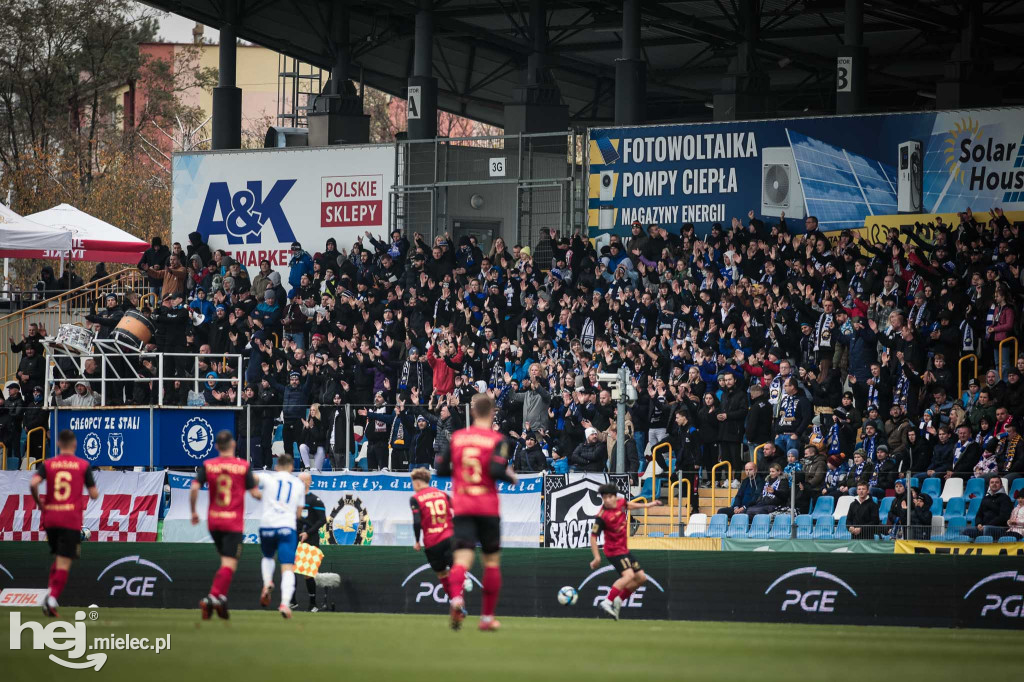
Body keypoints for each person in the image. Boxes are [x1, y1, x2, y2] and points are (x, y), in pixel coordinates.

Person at [434, 393, 515, 632]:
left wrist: (459, 474)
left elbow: (439, 469)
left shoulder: (458, 438)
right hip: (487, 507)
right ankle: (487, 618)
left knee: (461, 560)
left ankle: (457, 598)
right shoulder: (497, 440)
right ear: (492, 414)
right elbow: (495, 469)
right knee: (491, 562)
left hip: (463, 507)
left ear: (472, 412)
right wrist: (510, 477)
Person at [190, 430, 261, 620]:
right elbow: (255, 494)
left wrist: (193, 511)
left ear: (215, 447)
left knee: (225, 562)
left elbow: (195, 487)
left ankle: (221, 599)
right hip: (232, 523)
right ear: (233, 445)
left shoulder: (208, 465)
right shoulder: (243, 466)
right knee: (230, 563)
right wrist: (265, 495)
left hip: (213, 522)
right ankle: (212, 597)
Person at [29, 429, 99, 617]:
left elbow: (34, 483)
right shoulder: (82, 465)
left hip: (50, 519)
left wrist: (39, 503)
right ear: (75, 445)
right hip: (70, 520)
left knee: (59, 556)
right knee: (64, 561)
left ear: (58, 444)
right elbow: (94, 495)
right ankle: (51, 599)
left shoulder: (49, 464)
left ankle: (50, 594)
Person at [589, 482, 662, 620]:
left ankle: (619, 600)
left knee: (641, 578)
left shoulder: (621, 502)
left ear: (615, 497)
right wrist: (596, 557)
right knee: (628, 576)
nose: (607, 500)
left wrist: (648, 505)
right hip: (613, 551)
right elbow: (593, 537)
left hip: (624, 549)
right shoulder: (602, 516)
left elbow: (629, 506)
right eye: (604, 498)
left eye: (609, 497)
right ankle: (607, 601)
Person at [256, 453, 307, 618]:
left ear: (276, 466)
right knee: (287, 568)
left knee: (268, 557)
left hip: (267, 525)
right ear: (292, 467)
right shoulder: (298, 484)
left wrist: (256, 494)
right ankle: (285, 603)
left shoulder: (268, 478)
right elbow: (299, 513)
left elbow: (250, 479)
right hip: (286, 527)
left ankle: (267, 582)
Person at [409, 468, 457, 605]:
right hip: (449, 537)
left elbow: (417, 521)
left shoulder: (415, 498)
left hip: (433, 543)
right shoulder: (442, 494)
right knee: (456, 567)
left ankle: (455, 601)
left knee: (442, 574)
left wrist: (417, 541)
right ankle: (461, 581)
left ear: (417, 483)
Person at [296, 485, 327, 612]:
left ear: (309, 482)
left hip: (310, 539)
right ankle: (291, 602)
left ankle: (313, 604)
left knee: (308, 573)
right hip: (293, 538)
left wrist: (308, 532)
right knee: (287, 570)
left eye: (304, 480)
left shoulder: (315, 500)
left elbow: (322, 520)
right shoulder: (293, 499)